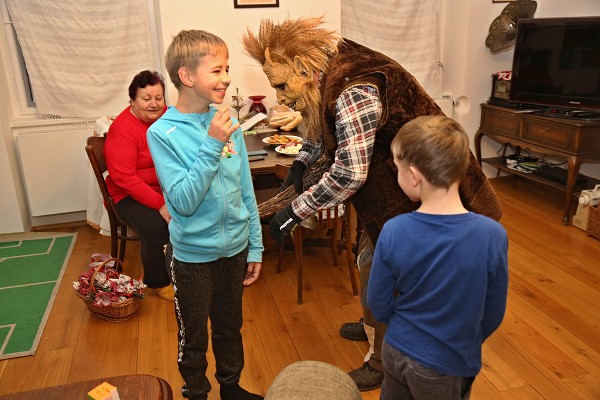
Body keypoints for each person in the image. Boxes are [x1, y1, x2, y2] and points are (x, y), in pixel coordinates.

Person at [242, 16, 503, 391]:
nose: (280, 97)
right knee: (371, 267)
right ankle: (373, 324)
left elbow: (349, 173)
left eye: (282, 85)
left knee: (390, 280)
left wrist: (294, 212)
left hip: (420, 196)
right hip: (396, 191)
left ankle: (382, 360)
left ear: (303, 67)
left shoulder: (353, 90)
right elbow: (332, 132)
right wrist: (304, 161)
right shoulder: (332, 69)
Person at [146, 30, 264, 400]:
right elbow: (181, 201)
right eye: (217, 70)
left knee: (230, 327)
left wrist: (255, 247)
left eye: (227, 68)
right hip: (192, 257)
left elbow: (246, 190)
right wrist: (212, 143)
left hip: (236, 249)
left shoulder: (227, 120)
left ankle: (231, 387)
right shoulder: (162, 133)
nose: (227, 78)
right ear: (186, 76)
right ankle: (196, 392)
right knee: (193, 335)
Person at [367, 116, 509, 400]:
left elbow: (377, 301)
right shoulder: (492, 235)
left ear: (414, 175)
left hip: (396, 349)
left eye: (397, 168)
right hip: (448, 361)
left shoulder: (393, 230)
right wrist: (468, 341)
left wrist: (402, 328)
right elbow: (494, 310)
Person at [104, 69, 173, 301]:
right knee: (155, 226)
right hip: (127, 196)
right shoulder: (122, 131)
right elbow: (125, 178)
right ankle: (158, 281)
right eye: (146, 99)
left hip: (162, 188)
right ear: (132, 100)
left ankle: (190, 267)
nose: (154, 104)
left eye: (159, 98)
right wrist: (160, 204)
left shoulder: (167, 116)